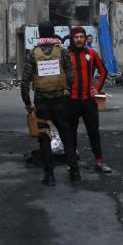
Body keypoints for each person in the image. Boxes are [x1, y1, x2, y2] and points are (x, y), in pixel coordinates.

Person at [21, 20, 78, 185]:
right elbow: (71, 75)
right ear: (53, 33)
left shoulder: (33, 54)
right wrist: (67, 88)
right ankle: (74, 172)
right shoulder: (62, 52)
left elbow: (25, 83)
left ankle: (50, 175)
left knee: (44, 137)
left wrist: (27, 103)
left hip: (42, 103)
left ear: (39, 34)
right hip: (61, 101)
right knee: (66, 136)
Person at [64, 27, 111, 173]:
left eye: (81, 37)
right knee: (71, 133)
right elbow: (57, 73)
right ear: (71, 39)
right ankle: (72, 163)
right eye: (76, 37)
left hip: (88, 101)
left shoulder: (91, 53)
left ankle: (99, 161)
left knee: (93, 132)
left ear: (85, 38)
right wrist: (62, 88)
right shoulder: (65, 54)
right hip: (71, 101)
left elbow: (103, 71)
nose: (79, 39)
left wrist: (96, 88)